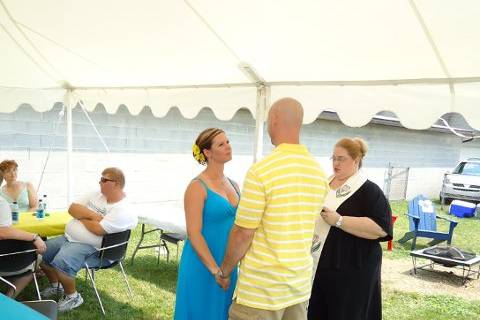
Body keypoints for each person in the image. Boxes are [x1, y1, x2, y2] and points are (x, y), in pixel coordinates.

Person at [217, 98, 329, 320]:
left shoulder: (262, 171)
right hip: (297, 286)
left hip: (262, 291)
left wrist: (225, 270)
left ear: (275, 119)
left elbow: (243, 233)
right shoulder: (317, 172)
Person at [308, 138, 393, 320]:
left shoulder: (369, 190)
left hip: (352, 271)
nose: (336, 163)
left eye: (342, 159)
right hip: (319, 267)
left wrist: (340, 221)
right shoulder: (324, 184)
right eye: (333, 158)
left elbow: (381, 229)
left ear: (356, 161)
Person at [39, 167, 137, 312]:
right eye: (100, 179)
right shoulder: (96, 194)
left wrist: (82, 215)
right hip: (69, 239)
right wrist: (93, 216)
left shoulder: (123, 210)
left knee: (62, 260)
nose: (100, 182)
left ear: (116, 183)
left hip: (96, 249)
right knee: (41, 253)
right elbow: (72, 208)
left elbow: (98, 230)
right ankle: (56, 286)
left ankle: (73, 297)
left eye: (104, 180)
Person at [174, 128, 240, 320]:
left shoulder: (234, 184)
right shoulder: (196, 187)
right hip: (202, 265)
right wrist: (214, 270)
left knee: (221, 312)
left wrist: (227, 267)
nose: (228, 147)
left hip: (227, 263)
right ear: (207, 153)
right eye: (221, 144)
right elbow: (194, 233)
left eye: (227, 141)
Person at [0, 196, 47, 298]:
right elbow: (3, 232)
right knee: (37, 257)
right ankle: (8, 299)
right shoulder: (1, 202)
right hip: (5, 261)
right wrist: (34, 237)